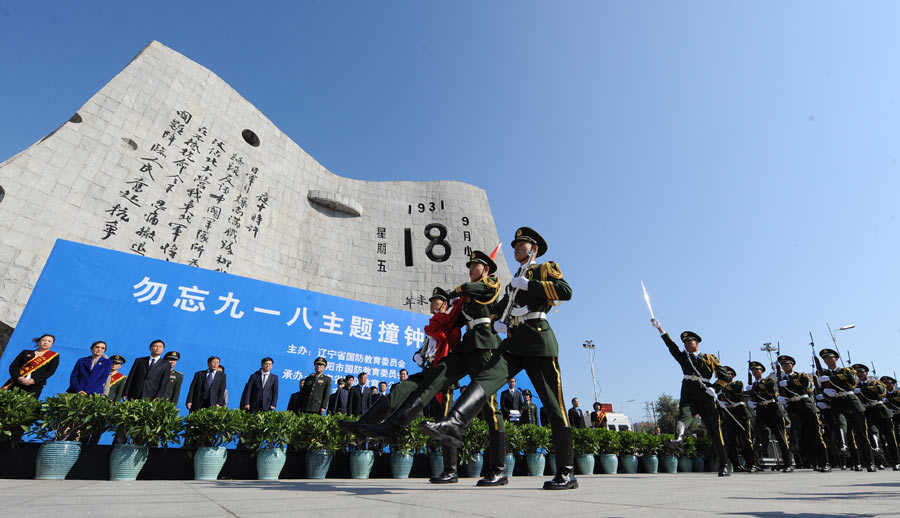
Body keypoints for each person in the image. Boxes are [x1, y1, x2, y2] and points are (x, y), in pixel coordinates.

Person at [420, 228, 577, 490]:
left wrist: (531, 285)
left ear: (534, 249)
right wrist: (497, 323)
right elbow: (502, 306)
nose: (516, 247)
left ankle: (566, 471)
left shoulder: (544, 269)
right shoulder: (514, 277)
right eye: (515, 244)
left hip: (539, 341)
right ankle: (455, 424)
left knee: (553, 405)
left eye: (522, 244)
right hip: (514, 341)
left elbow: (565, 290)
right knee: (487, 378)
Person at [362, 250, 505, 486]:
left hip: (484, 345)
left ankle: (498, 468)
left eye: (475, 266)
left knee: (489, 406)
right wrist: (442, 316)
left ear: (486, 269)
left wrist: (455, 294)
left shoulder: (489, 284)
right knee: (433, 379)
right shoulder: (466, 298)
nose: (471, 269)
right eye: (469, 266)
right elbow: (452, 322)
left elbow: (483, 291)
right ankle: (393, 426)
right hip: (467, 347)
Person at [650, 320, 730, 476]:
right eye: (685, 342)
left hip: (705, 396)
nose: (686, 344)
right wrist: (660, 329)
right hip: (688, 394)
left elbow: (725, 376)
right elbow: (671, 347)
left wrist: (715, 388)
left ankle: (724, 464)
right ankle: (678, 440)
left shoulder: (710, 358)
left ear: (697, 343)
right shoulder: (683, 358)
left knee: (715, 431)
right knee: (683, 415)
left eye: (689, 342)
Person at [818, 348, 875, 472]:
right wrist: (825, 394)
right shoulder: (822, 374)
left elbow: (852, 380)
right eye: (825, 358)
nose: (828, 360)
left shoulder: (846, 370)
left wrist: (831, 379)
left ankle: (870, 462)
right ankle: (855, 462)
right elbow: (822, 389)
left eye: (830, 357)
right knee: (846, 431)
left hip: (852, 403)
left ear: (836, 359)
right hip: (837, 404)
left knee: (862, 435)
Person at [777, 354, 830, 472]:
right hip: (793, 409)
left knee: (816, 436)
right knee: (800, 438)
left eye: (787, 364)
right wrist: (780, 398)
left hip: (807, 408)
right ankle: (812, 463)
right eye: (783, 365)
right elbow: (781, 393)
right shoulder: (780, 380)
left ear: (792, 365)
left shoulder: (800, 375)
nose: (785, 366)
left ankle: (825, 463)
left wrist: (789, 383)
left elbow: (805, 382)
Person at [748, 360, 794, 472]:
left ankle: (788, 463)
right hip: (761, 412)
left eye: (756, 370)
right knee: (758, 437)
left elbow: (770, 387)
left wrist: (754, 388)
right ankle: (759, 463)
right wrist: (752, 402)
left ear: (762, 371)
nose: (754, 372)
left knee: (781, 437)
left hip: (773, 411)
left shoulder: (768, 380)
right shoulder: (753, 385)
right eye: (752, 370)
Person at [853, 363, 899, 470]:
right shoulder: (855, 386)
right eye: (857, 372)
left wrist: (863, 390)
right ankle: (879, 462)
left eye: (861, 372)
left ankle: (897, 462)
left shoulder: (875, 382)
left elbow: (881, 390)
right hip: (868, 412)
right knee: (873, 436)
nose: (860, 374)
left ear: (866, 373)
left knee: (890, 437)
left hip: (880, 411)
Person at [718, 365, 759, 472]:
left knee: (746, 440)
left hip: (741, 414)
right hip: (729, 415)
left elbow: (736, 389)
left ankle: (752, 464)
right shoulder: (721, 387)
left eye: (727, 374)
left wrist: (719, 387)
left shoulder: (737, 383)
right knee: (730, 442)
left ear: (732, 375)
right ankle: (737, 465)